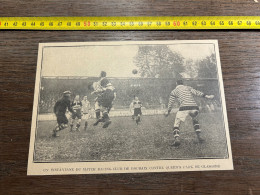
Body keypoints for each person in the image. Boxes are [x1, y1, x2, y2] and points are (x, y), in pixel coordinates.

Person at [164, 80, 214, 146]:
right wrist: (208, 96)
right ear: (183, 83)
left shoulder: (174, 91)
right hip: (194, 107)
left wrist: (168, 111)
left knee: (177, 123)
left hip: (184, 107)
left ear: (176, 84)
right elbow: (197, 93)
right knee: (195, 120)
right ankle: (200, 137)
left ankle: (177, 140)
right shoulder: (188, 87)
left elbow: (171, 102)